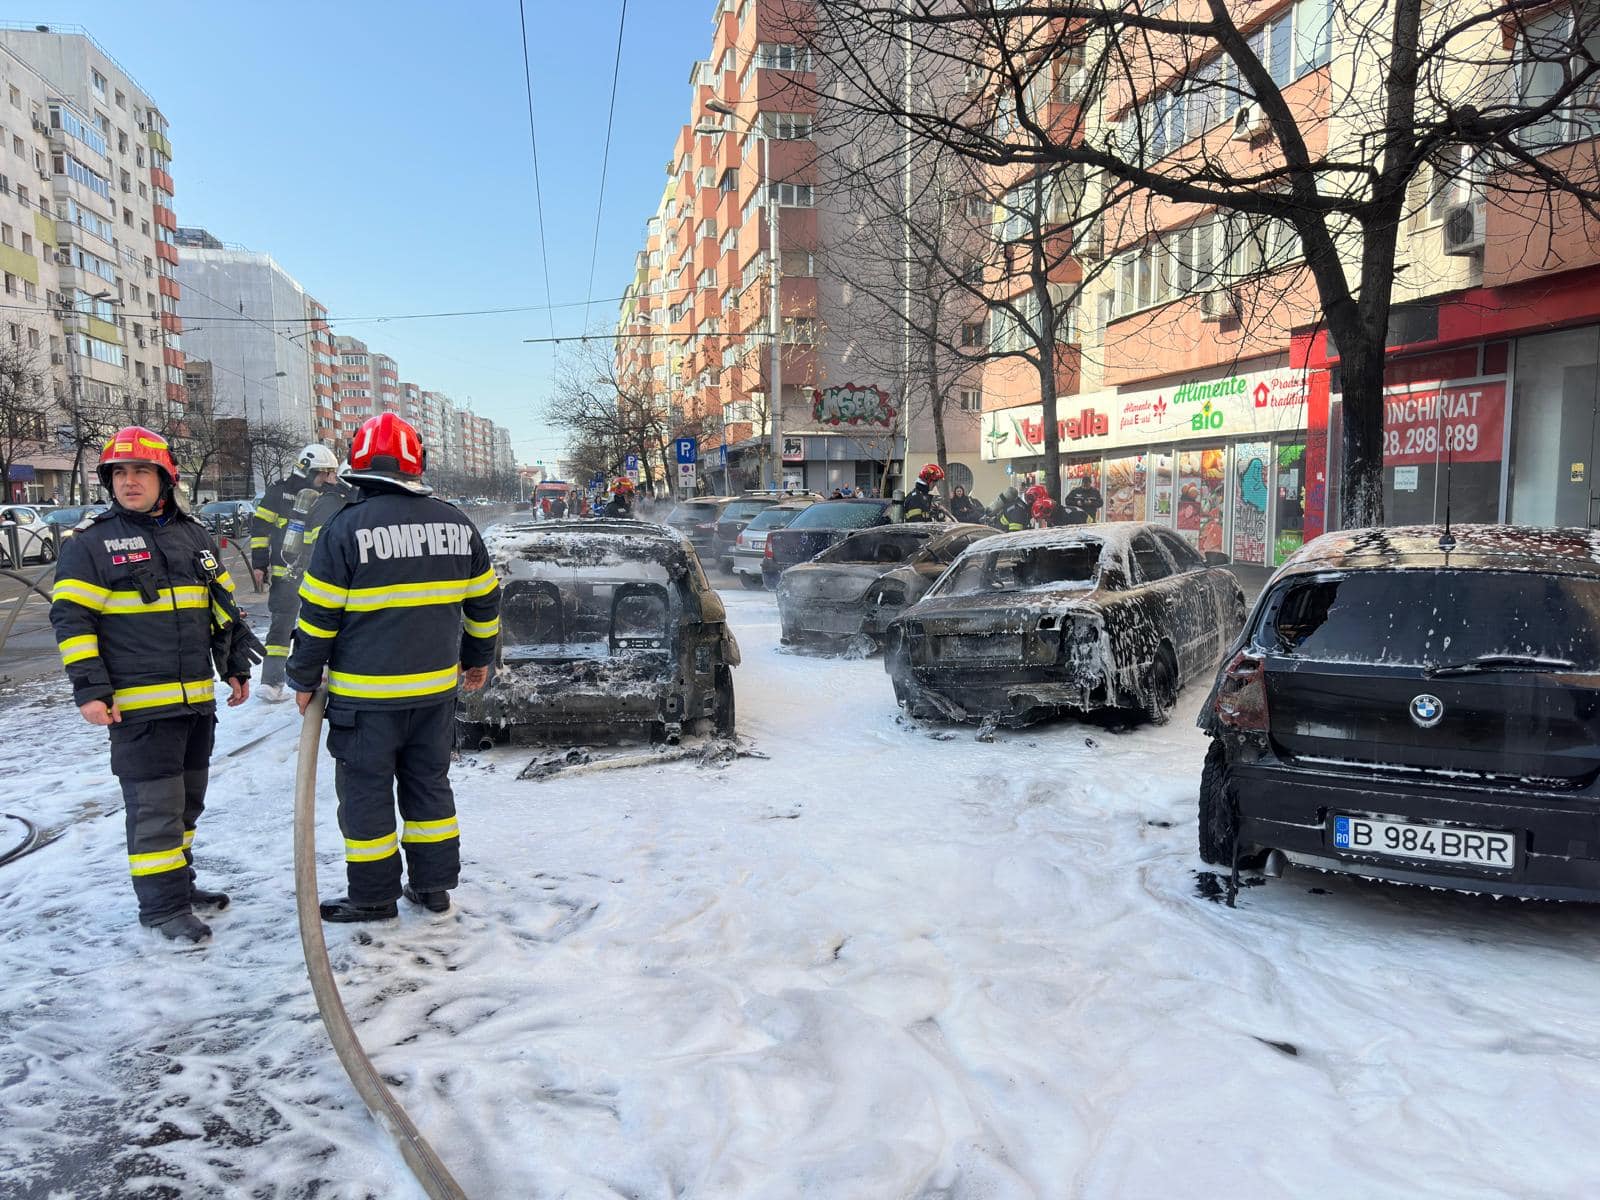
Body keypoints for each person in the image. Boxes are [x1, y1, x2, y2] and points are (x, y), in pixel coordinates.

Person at [286, 413, 501, 923]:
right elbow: (485, 602)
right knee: (429, 786)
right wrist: (476, 660)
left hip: (366, 701)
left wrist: (301, 676)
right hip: (433, 697)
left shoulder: (345, 527)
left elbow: (318, 615)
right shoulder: (456, 522)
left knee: (366, 797)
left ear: (358, 464)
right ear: (416, 464)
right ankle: (434, 888)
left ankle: (373, 895)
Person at [50, 427, 260, 944]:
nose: (129, 481)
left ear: (166, 478)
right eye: (119, 473)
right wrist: (90, 690)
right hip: (139, 711)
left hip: (194, 703)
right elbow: (72, 622)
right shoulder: (91, 545)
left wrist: (233, 663)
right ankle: (162, 907)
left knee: (188, 803)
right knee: (155, 811)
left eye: (141, 470)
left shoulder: (193, 536)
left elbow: (221, 608)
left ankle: (179, 885)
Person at [250, 444, 350, 703]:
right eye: (323, 473)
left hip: (318, 575)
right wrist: (259, 564)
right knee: (281, 626)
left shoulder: (328, 496)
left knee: (318, 626)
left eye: (331, 473)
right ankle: (272, 681)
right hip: (288, 574)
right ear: (306, 470)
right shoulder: (278, 492)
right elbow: (260, 530)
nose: (328, 478)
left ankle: (318, 679)